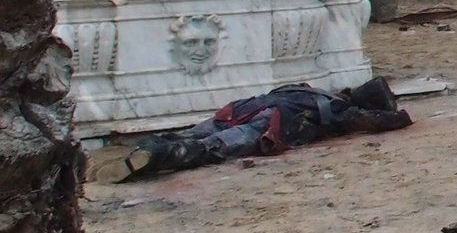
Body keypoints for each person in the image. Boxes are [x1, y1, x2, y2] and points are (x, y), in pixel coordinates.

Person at [91, 77, 411, 183]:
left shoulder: (307, 88)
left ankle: (139, 151)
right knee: (210, 149)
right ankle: (154, 156)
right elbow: (374, 122)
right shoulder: (339, 108)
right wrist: (401, 117)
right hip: (266, 124)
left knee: (194, 134)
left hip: (241, 108)